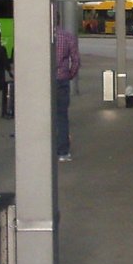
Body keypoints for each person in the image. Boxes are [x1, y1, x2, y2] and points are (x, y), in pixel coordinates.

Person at [54, 13, 80, 162]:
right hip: (62, 80)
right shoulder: (68, 36)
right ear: (60, 20)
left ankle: (44, 148)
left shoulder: (42, 37)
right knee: (62, 116)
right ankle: (63, 152)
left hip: (45, 81)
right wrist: (70, 74)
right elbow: (76, 60)